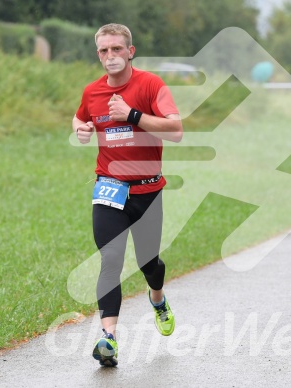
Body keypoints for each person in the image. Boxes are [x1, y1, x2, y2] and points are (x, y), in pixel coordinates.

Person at [72, 23, 183, 367]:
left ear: (130, 51)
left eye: (117, 49)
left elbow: (176, 129)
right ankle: (109, 339)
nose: (111, 56)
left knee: (149, 261)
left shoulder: (151, 84)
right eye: (104, 50)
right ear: (98, 55)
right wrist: (81, 129)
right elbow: (79, 119)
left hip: (147, 189)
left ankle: (158, 298)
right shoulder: (92, 92)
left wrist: (132, 115)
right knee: (111, 258)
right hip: (109, 186)